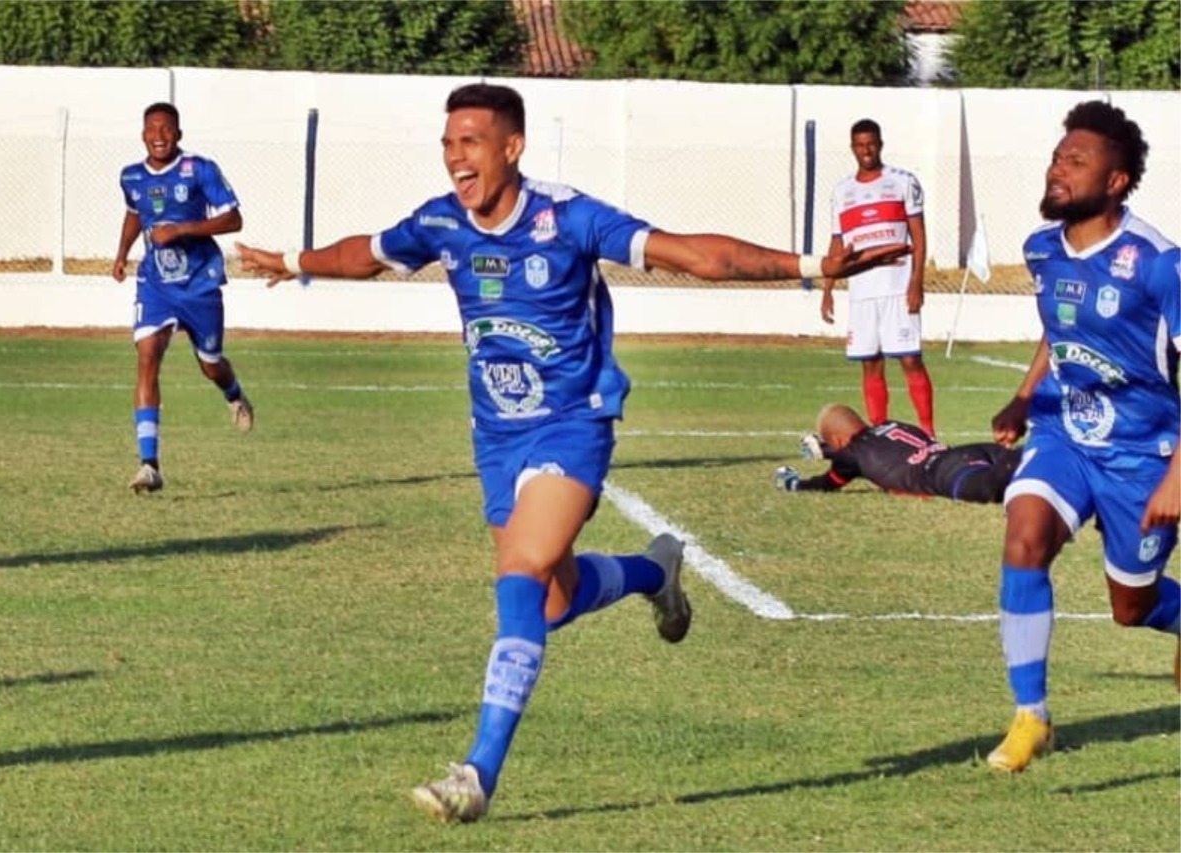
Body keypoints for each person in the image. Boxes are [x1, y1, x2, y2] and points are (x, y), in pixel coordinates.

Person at [237, 83, 908, 823]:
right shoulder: (441, 221)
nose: (456, 157)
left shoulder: (568, 218)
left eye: (471, 142)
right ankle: (654, 569)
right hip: (495, 434)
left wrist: (812, 266)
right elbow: (367, 254)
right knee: (549, 601)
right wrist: (293, 257)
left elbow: (692, 255)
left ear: (511, 148)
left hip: (572, 424)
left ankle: (477, 771)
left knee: (519, 579)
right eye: (448, 142)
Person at [986, 100, 1180, 772]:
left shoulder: (1159, 264)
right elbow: (1058, 329)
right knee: (1025, 533)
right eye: (1057, 156)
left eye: (1077, 160)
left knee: (1134, 606)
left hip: (1145, 457)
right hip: (1066, 431)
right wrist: (1021, 393)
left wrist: (1179, 475)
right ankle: (1030, 715)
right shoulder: (1042, 251)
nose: (1057, 169)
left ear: (1117, 180)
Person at [112, 102, 254, 494]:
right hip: (156, 283)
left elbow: (233, 218)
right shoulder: (131, 176)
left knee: (210, 364)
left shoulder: (199, 169)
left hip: (200, 282)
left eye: (166, 129)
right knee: (147, 355)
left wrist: (182, 230)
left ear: (178, 134)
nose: (159, 136)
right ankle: (149, 464)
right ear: (143, 134)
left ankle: (234, 393)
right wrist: (122, 253)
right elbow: (134, 213)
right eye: (152, 129)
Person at [819, 119, 936, 436]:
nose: (866, 150)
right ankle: (880, 433)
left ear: (880, 144)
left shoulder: (903, 181)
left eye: (871, 143)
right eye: (859, 145)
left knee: (910, 359)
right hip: (861, 291)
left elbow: (919, 236)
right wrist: (828, 289)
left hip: (897, 287)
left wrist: (916, 282)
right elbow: (837, 242)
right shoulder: (842, 191)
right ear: (852, 148)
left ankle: (928, 434)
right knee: (870, 362)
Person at [773, 403, 1021, 502]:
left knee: (992, 487)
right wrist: (825, 451)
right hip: (964, 452)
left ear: (838, 440)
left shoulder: (852, 455)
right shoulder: (888, 425)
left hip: (942, 473)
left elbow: (828, 483)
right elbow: (887, 451)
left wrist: (796, 485)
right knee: (1028, 461)